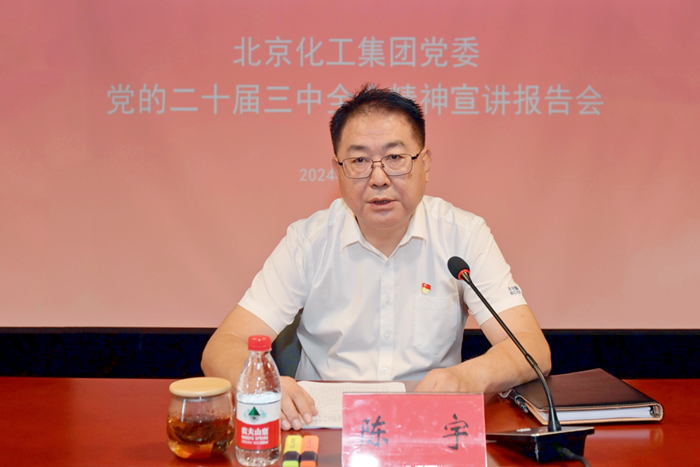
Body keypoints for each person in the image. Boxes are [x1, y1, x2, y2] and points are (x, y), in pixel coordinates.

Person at [202, 84, 551, 431]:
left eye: (395, 158)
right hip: (323, 429)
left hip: (428, 426)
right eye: (359, 161)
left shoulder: (463, 235)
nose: (379, 178)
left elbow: (532, 347)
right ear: (338, 169)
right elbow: (222, 347)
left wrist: (469, 377)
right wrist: (264, 384)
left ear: (425, 163)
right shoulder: (308, 241)